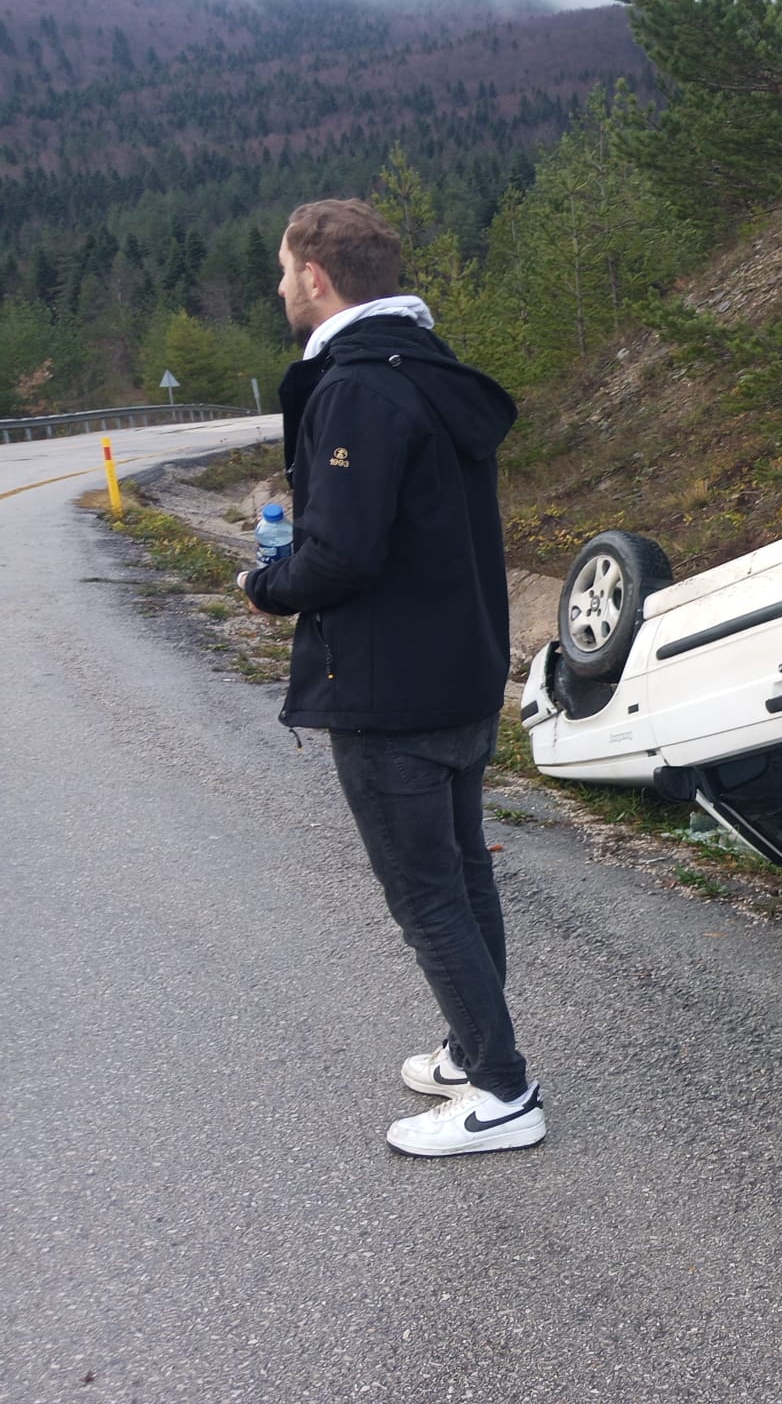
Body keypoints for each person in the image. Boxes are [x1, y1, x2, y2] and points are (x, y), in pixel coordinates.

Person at [239, 198, 542, 1157]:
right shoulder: (430, 372)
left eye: (284, 271)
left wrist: (262, 586)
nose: (279, 287)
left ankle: (502, 1093)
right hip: (460, 671)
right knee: (461, 875)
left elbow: (340, 555)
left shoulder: (357, 390)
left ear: (316, 277)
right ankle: (470, 1051)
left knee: (426, 895)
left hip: (389, 688)